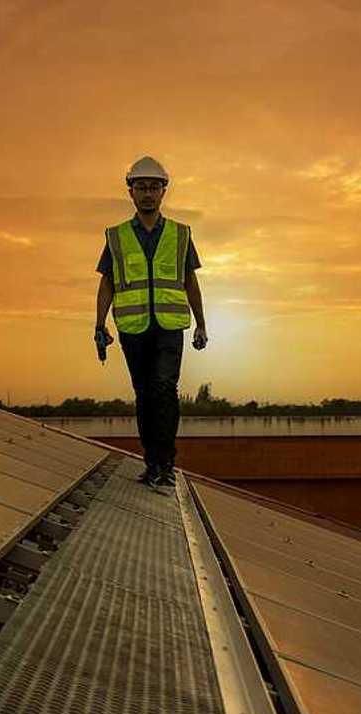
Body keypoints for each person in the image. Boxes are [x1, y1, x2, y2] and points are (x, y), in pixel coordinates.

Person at [94, 155, 207, 489]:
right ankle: (152, 462)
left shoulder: (180, 234)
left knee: (163, 388)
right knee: (144, 393)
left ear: (163, 192)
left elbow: (190, 280)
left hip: (170, 325)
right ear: (130, 192)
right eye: (141, 187)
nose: (147, 193)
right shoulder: (115, 237)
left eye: (153, 187)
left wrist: (201, 323)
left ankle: (165, 462)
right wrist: (99, 325)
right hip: (133, 328)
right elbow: (107, 283)